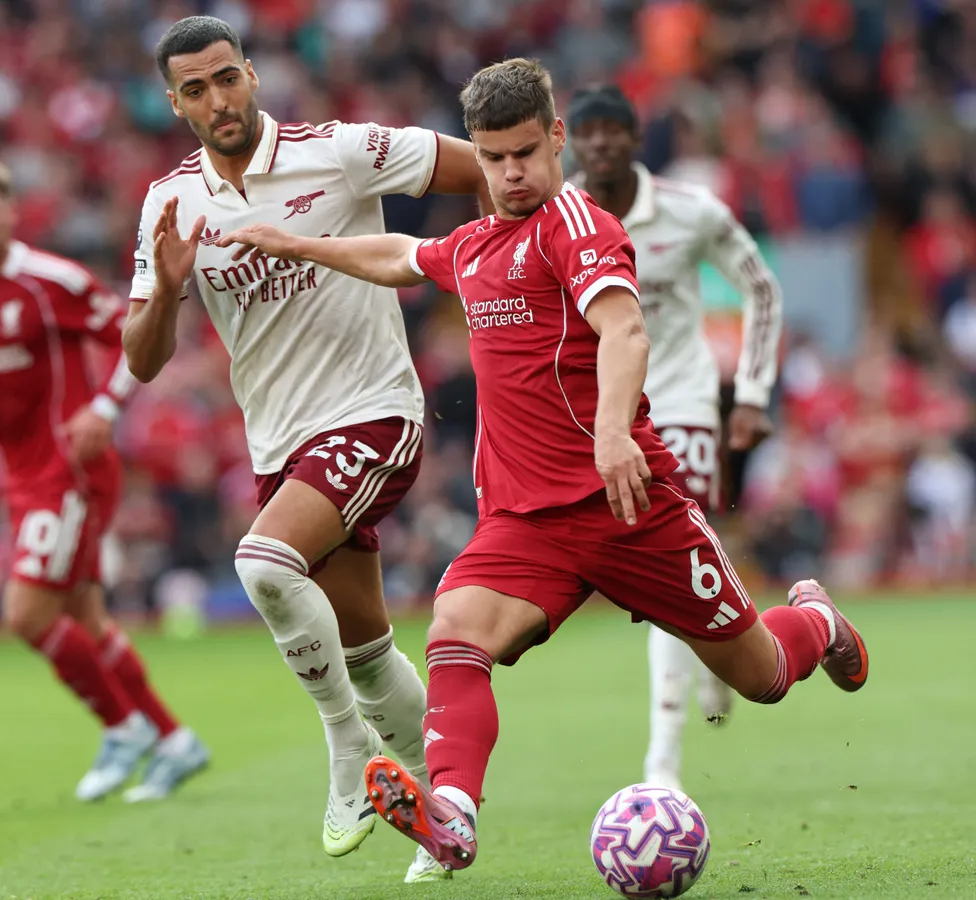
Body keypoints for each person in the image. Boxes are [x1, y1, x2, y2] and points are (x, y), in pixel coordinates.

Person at [211, 57, 869, 874]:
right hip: (527, 522)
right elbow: (399, 255)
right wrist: (291, 242)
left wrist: (610, 431)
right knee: (455, 631)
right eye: (491, 159)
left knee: (762, 676)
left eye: (524, 152)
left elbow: (625, 331)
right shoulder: (481, 244)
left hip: (630, 503)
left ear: (556, 139)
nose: (510, 174)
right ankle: (452, 813)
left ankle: (818, 621)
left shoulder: (578, 226)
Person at [119, 16, 489, 881]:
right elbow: (141, 362)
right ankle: (446, 821)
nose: (219, 100)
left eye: (228, 78)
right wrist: (167, 294)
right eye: (197, 89)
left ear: (252, 74)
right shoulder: (168, 204)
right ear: (176, 104)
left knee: (262, 564)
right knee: (362, 649)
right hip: (280, 442)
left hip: (376, 412)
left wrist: (485, 287)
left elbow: (486, 171)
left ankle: (347, 754)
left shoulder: (342, 149)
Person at [0, 157, 207, 804]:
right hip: (23, 477)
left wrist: (106, 407)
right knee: (85, 619)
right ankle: (174, 742)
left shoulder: (48, 280)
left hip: (71, 470)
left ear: (11, 214)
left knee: (27, 613)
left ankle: (124, 726)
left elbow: (133, 335)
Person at [566, 84, 784, 790]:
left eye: (613, 130)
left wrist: (749, 394)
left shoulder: (691, 212)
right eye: (588, 131)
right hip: (605, 417)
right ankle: (723, 643)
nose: (599, 143)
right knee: (662, 568)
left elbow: (762, 287)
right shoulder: (557, 216)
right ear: (574, 141)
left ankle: (662, 760)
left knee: (663, 562)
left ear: (635, 140)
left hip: (684, 404)